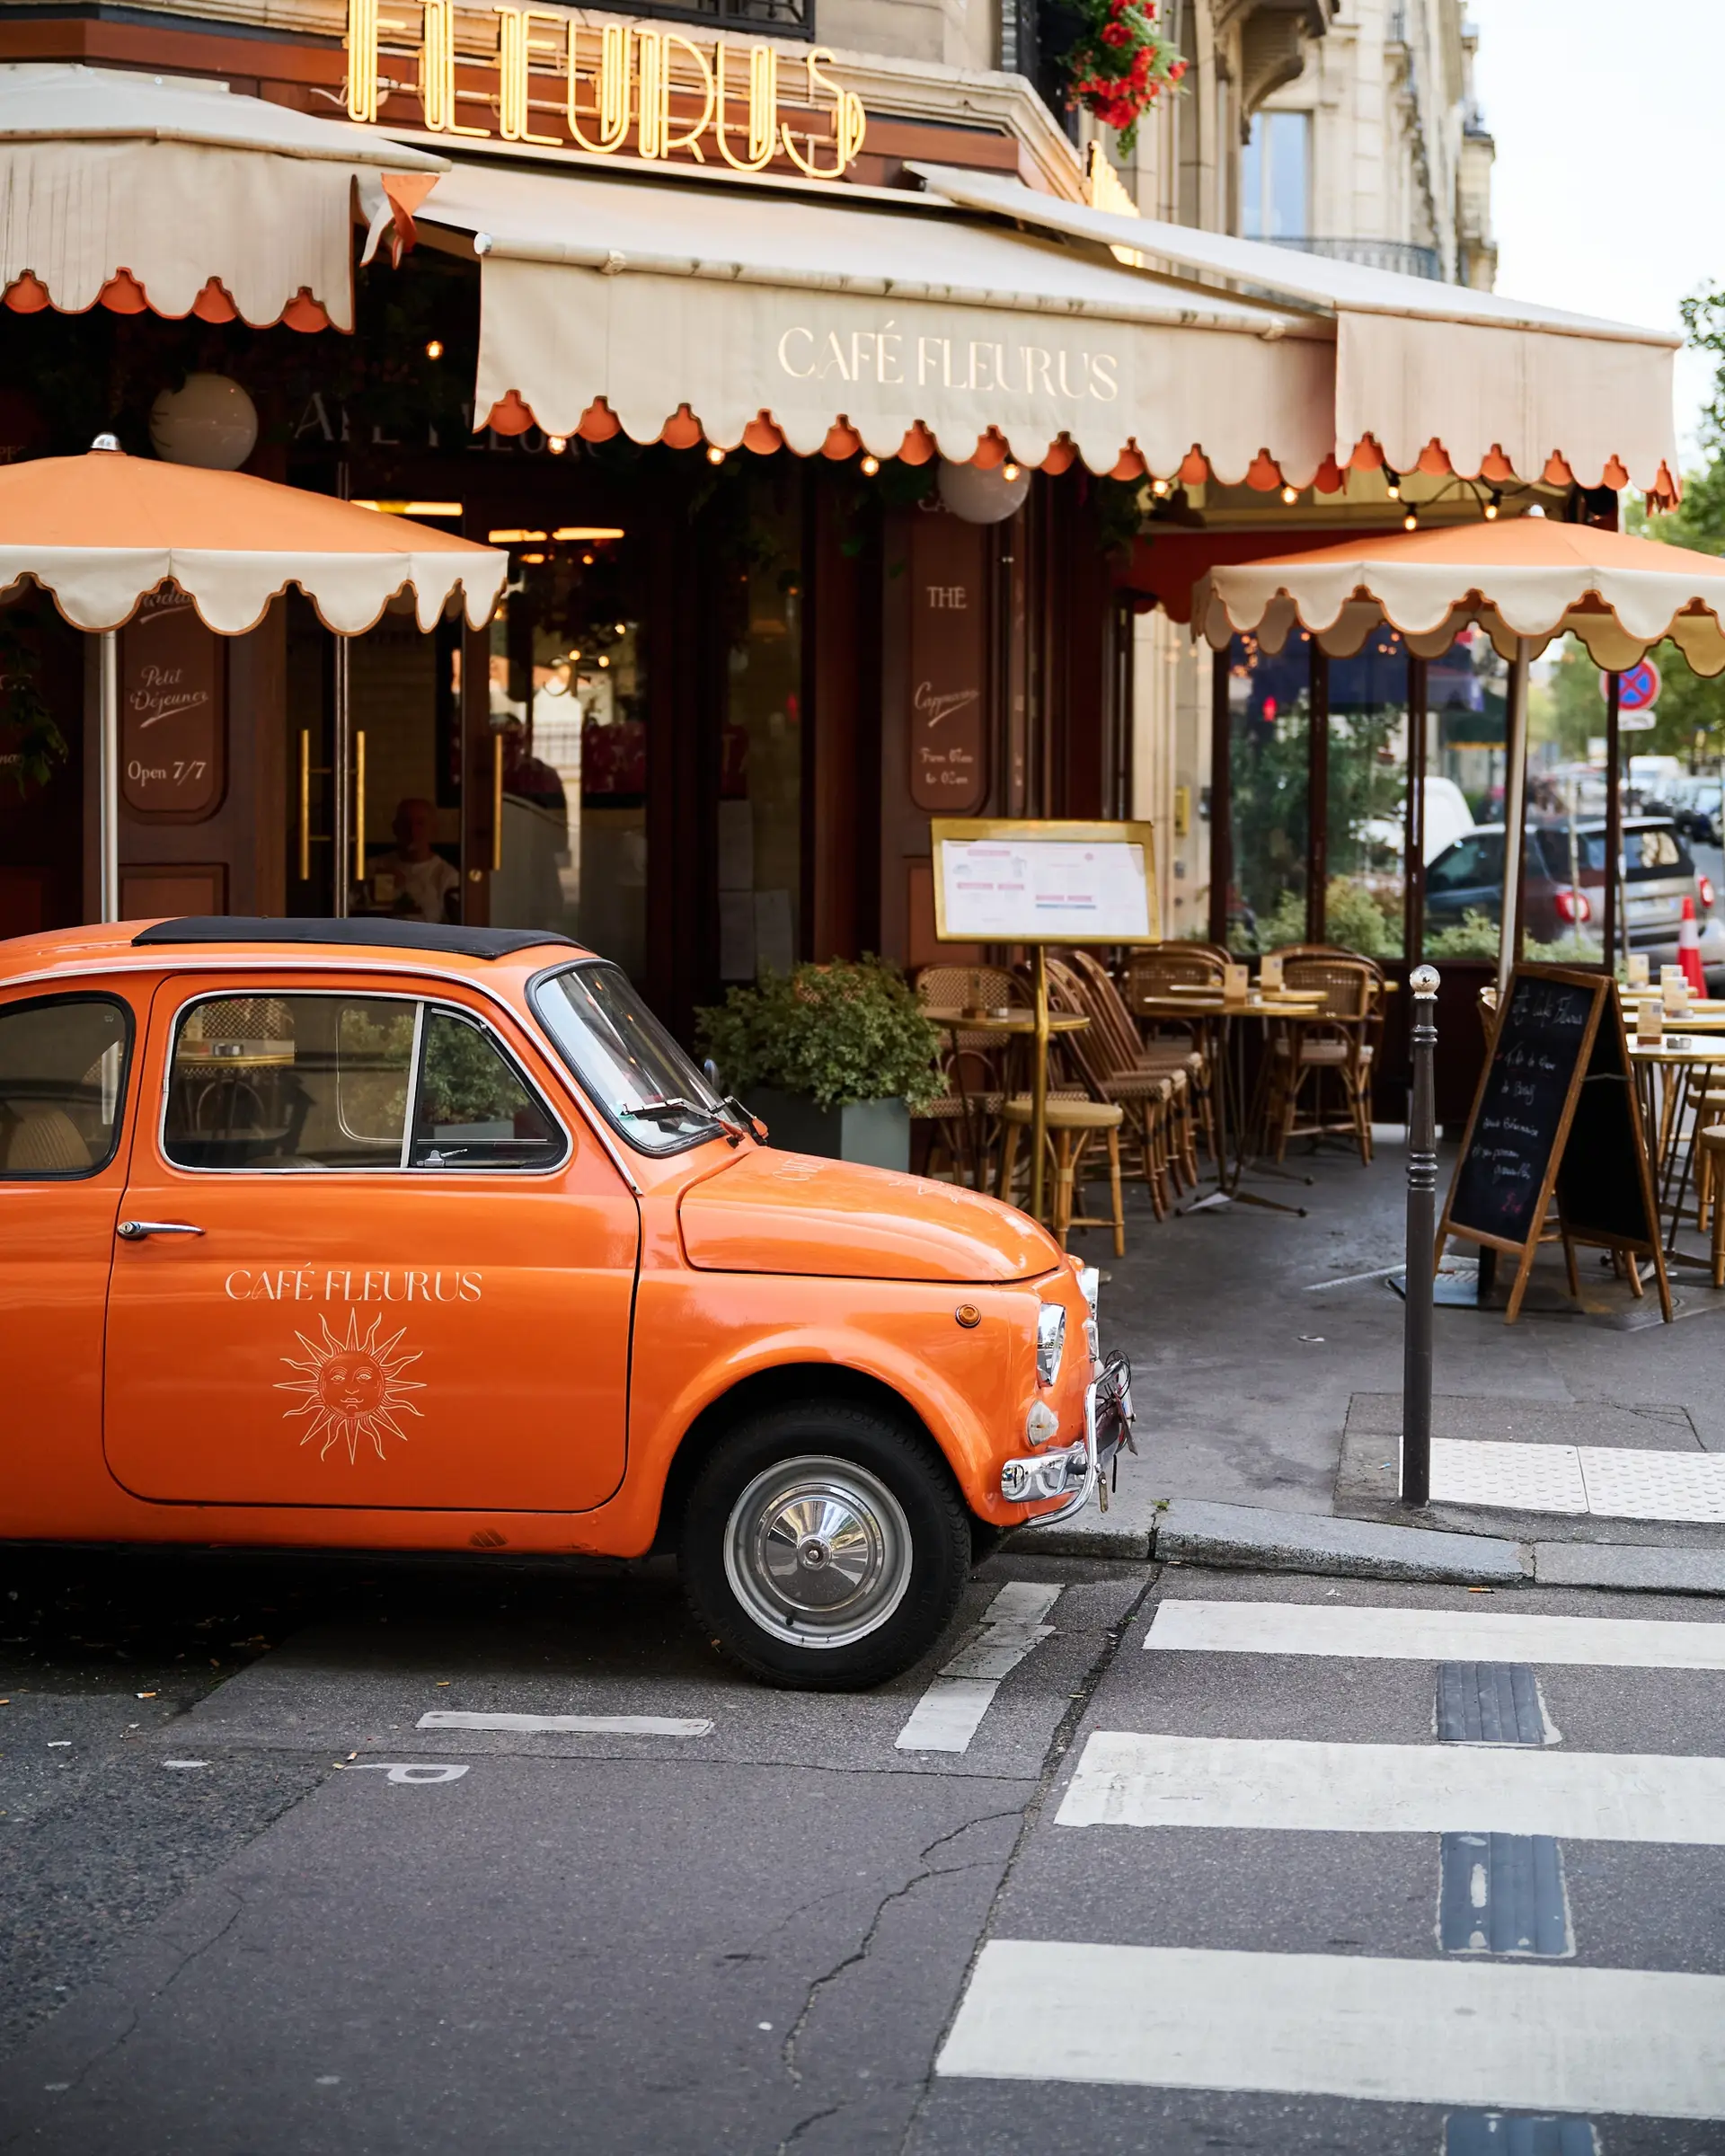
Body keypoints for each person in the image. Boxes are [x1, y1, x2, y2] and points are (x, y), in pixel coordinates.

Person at [364, 798, 459, 923]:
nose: (412, 831)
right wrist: (375, 885)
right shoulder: (373, 867)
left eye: (420, 824)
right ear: (395, 828)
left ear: (433, 829)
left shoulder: (447, 876)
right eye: (406, 823)